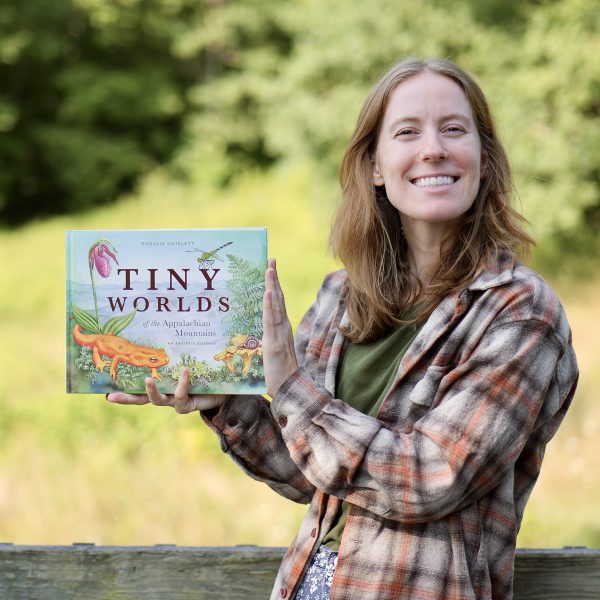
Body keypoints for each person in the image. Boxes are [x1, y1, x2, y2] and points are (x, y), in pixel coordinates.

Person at [108, 57, 579, 600]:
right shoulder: (341, 295)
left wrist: (288, 387)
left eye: (454, 129)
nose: (433, 149)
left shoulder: (517, 310)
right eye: (407, 132)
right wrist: (225, 403)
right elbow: (310, 472)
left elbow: (431, 477)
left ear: (483, 160)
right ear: (376, 165)